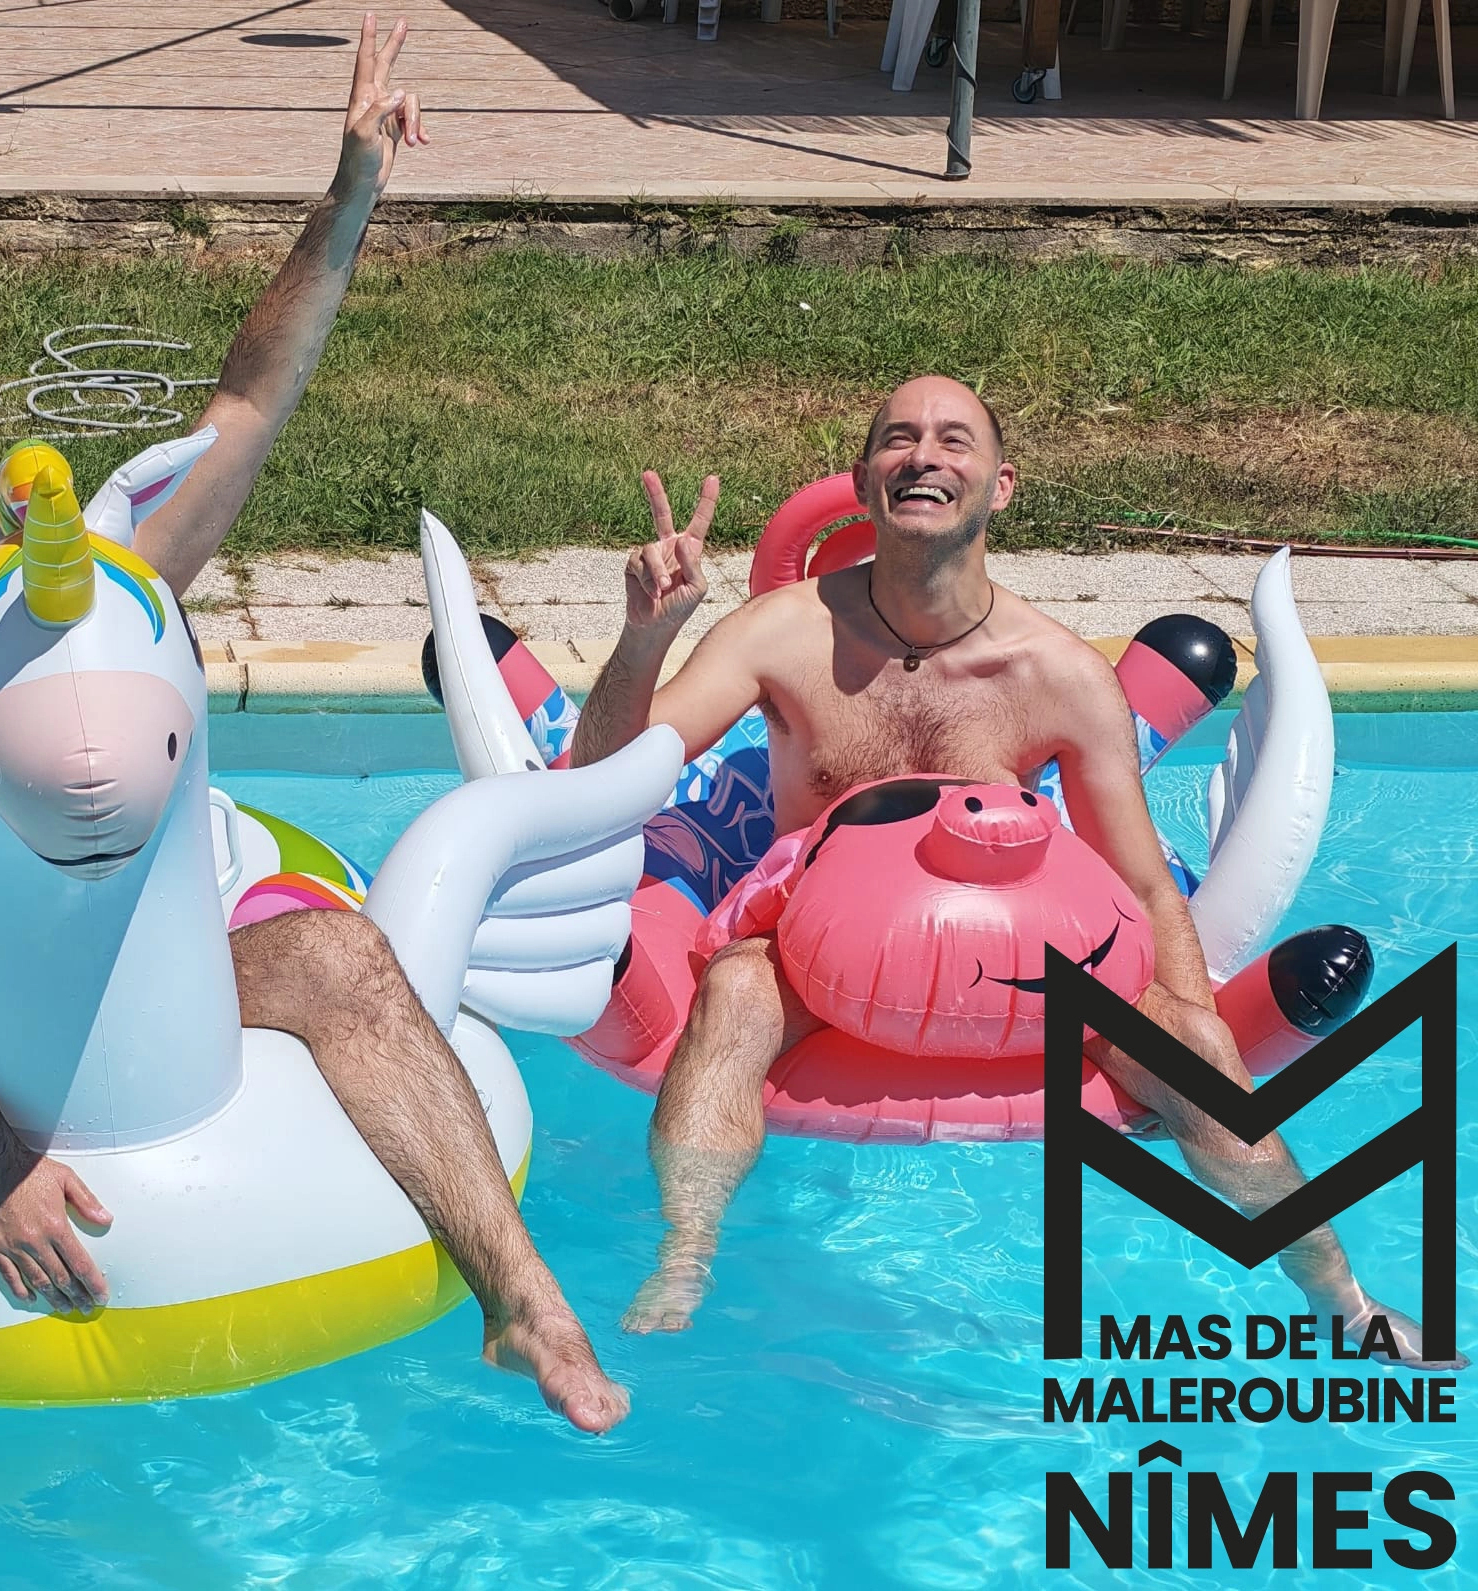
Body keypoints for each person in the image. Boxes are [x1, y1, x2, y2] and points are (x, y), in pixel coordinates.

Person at [0, 19, 627, 1553]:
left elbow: (247, 399)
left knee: (341, 955)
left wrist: (351, 187)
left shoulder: (115, 599)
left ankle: (522, 1295)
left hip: (169, 981)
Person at [570, 375, 1455, 1368]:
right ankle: (685, 1257)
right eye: (899, 438)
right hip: (813, 955)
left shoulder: (1057, 673)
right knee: (735, 989)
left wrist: (1184, 1013)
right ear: (861, 481)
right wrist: (645, 636)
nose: (923, 455)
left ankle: (1343, 1301)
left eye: (954, 440)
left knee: (1194, 1046)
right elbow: (598, 779)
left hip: (1015, 962)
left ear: (999, 486)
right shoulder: (780, 634)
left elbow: (1143, 884)